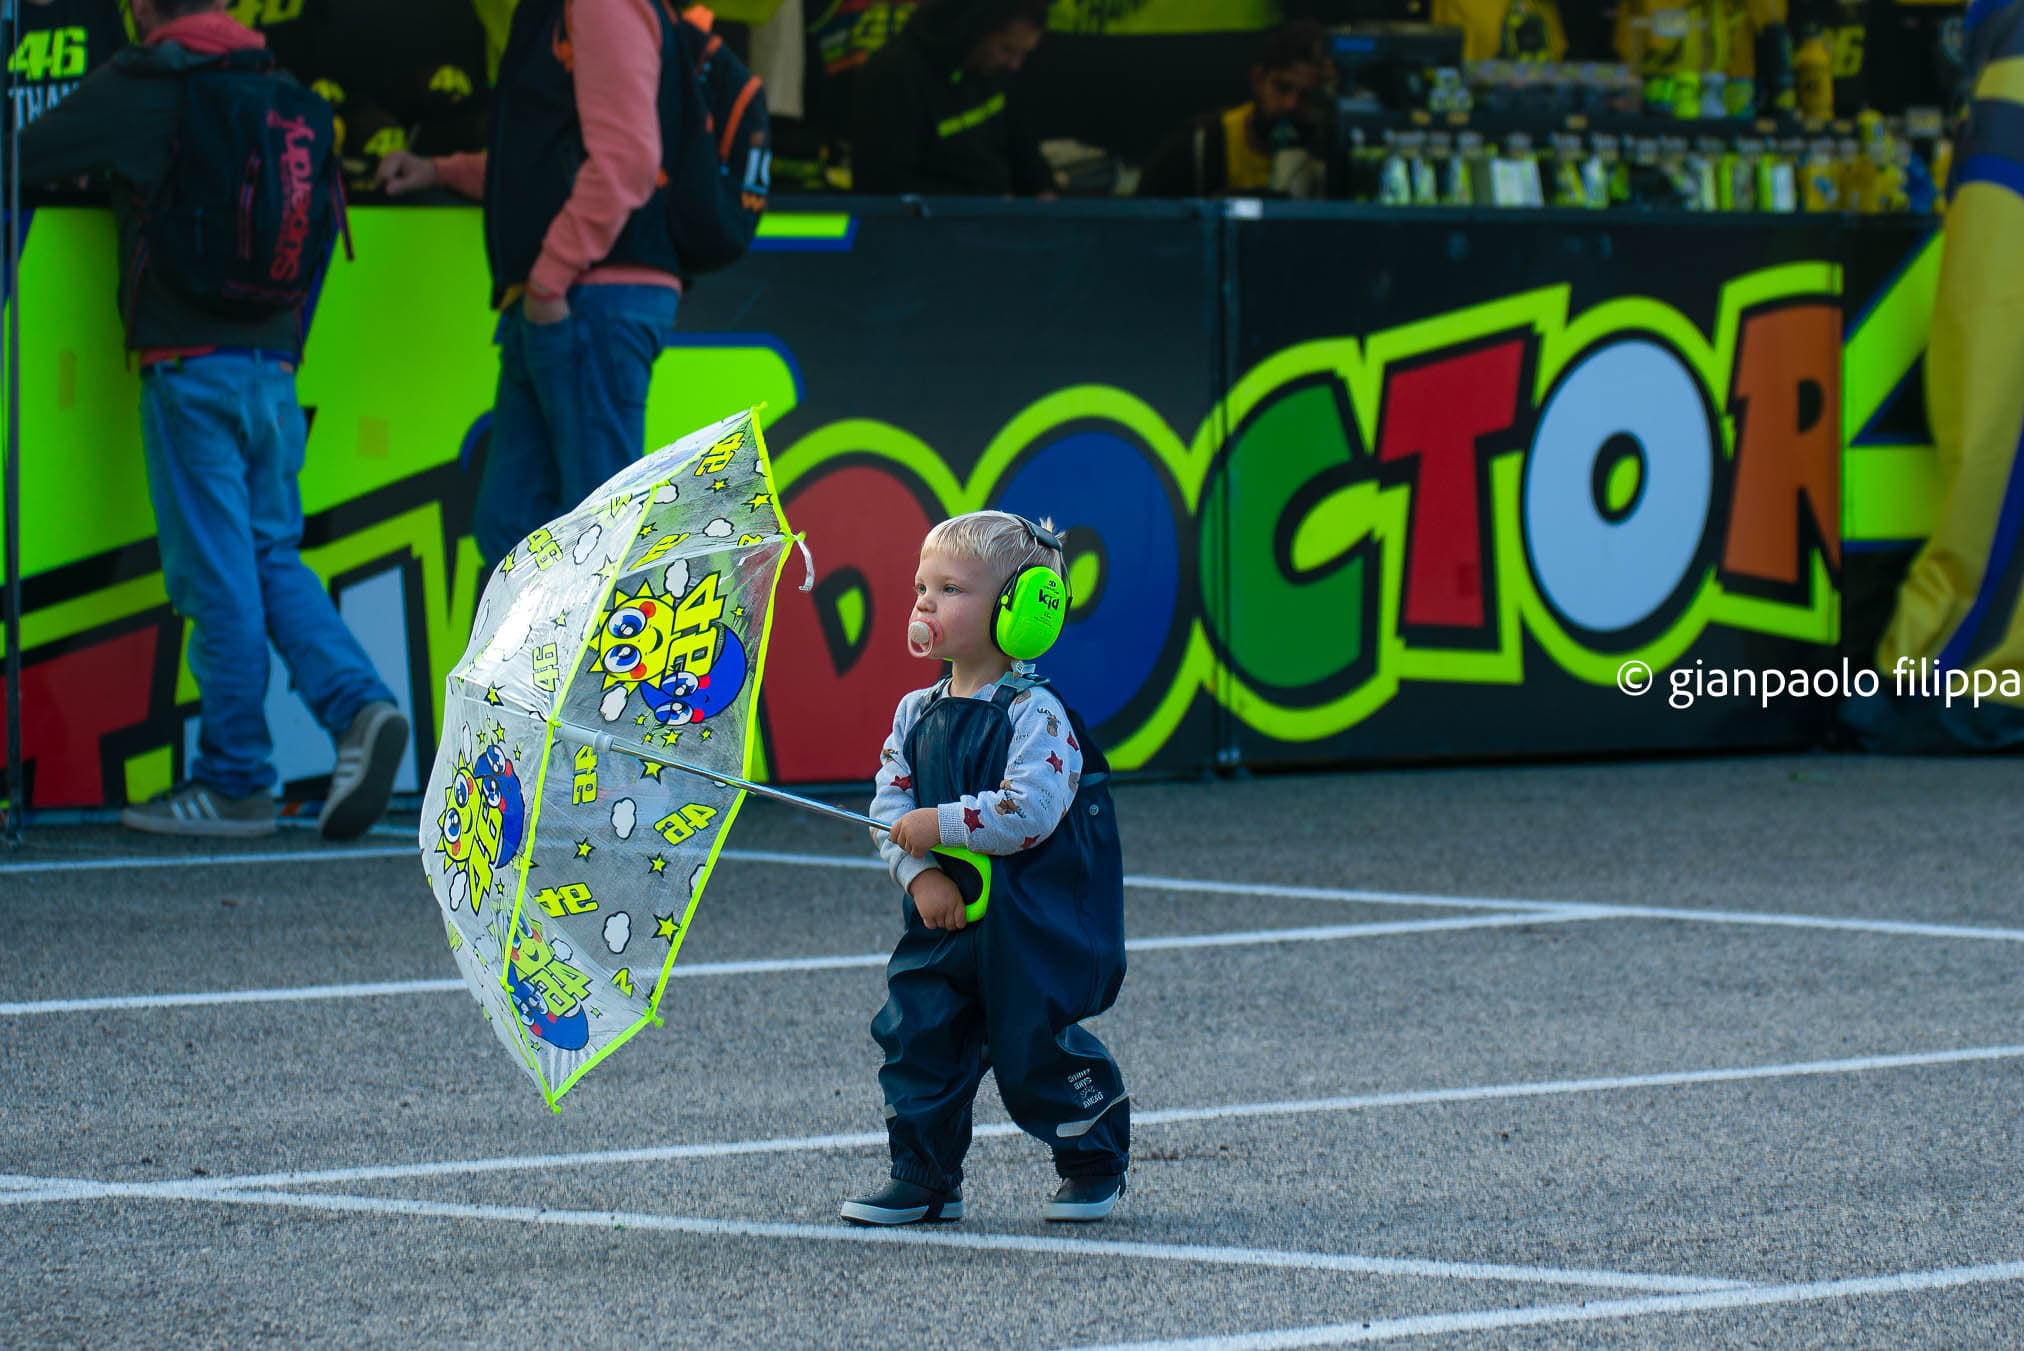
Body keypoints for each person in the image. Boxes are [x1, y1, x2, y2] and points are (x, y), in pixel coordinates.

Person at [19, 0, 409, 840]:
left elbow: (26, 155)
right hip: (273, 369)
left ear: (142, 8)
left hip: (189, 368)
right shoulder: (276, 84)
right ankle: (361, 706)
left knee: (215, 576)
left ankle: (235, 779)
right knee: (268, 555)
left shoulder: (149, 81)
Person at [841, 511, 1130, 1227]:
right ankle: (924, 1173)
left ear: (1022, 612)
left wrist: (940, 825)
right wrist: (919, 874)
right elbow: (890, 802)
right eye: (921, 586)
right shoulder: (916, 711)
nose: (925, 603)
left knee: (1033, 1048)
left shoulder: (1037, 716)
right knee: (918, 1036)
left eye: (950, 588)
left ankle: (1092, 1157)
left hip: (1026, 925)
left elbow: (1028, 809)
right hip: (942, 920)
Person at [374, 0, 687, 578]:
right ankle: (521, 674)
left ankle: (611, 672)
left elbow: (628, 161)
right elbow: (541, 159)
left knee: (599, 546)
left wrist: (549, 281)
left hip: (588, 299)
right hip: (568, 300)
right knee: (513, 531)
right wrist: (441, 171)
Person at [850, 0, 1057, 195]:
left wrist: (1043, 187)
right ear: (976, 31)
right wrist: (982, 205)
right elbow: (884, 184)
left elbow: (1021, 145)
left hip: (996, 214)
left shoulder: (995, 69)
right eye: (1007, 50)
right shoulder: (894, 76)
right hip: (931, 224)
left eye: (1024, 53)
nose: (1015, 64)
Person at [1136, 19, 1330, 198]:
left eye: (1305, 96)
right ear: (1258, 78)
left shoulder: (1325, 155)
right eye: (1282, 88)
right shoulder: (1200, 146)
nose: (1291, 104)